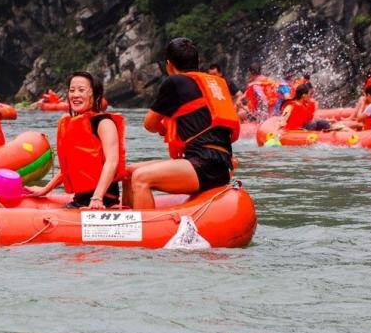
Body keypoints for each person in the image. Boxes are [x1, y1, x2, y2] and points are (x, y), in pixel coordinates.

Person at [123, 38, 239, 209]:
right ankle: (124, 218)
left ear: (169, 64)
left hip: (205, 165)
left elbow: (149, 124)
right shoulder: (215, 83)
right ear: (198, 62)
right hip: (218, 163)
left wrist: (165, 129)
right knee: (128, 172)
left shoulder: (175, 82)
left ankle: (142, 230)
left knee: (140, 177)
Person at [27, 71, 125, 210]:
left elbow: (112, 161)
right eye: (72, 90)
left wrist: (97, 198)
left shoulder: (104, 123)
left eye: (81, 90)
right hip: (80, 199)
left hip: (102, 200)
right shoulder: (73, 124)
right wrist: (45, 189)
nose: (75, 95)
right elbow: (71, 167)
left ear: (95, 94)